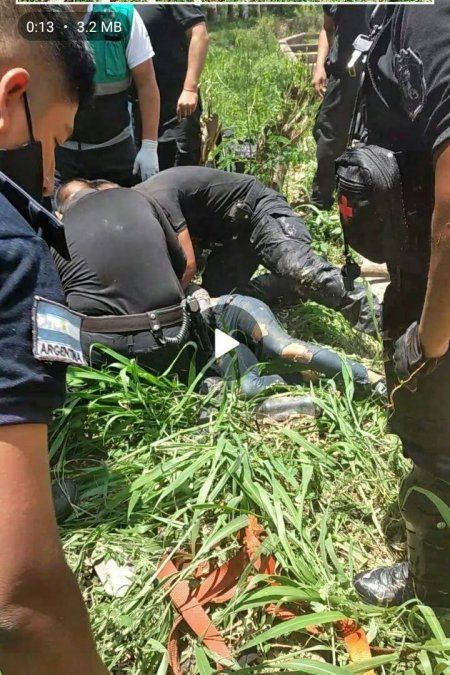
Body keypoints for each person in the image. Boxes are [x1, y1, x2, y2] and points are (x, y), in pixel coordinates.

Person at [54, 179, 385, 402]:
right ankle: (366, 381)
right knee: (274, 350)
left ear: (60, 211)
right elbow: (181, 267)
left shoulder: (55, 230)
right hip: (179, 332)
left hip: (117, 352)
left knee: (253, 352)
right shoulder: (139, 200)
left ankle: (265, 380)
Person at [0, 4, 109, 673]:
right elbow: (18, 601)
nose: (50, 173)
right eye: (55, 138)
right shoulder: (14, 252)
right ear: (11, 100)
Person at [341, 1, 450, 608]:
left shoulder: (434, 23)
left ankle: (435, 587)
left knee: (437, 443)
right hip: (421, 267)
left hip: (440, 285)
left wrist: (430, 339)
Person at [132, 166, 381, 336]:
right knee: (225, 304)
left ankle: (382, 321)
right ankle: (290, 287)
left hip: (258, 211)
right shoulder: (140, 210)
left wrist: (166, 305)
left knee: (298, 269)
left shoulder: (155, 196)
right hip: (231, 240)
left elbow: (188, 265)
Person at [56, 3, 160, 187]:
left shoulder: (123, 16)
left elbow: (147, 85)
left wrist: (149, 146)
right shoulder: (44, 18)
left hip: (116, 153)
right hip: (62, 156)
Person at [133, 6, 209, 170]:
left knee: (178, 172)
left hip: (175, 107)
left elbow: (199, 33)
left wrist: (190, 89)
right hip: (136, 109)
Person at [311, 6, 370, 210]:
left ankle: (364, 204)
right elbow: (327, 28)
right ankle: (321, 203)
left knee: (374, 141)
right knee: (328, 140)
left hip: (376, 77)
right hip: (342, 77)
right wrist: (319, 66)